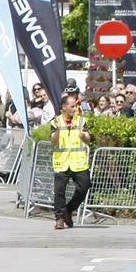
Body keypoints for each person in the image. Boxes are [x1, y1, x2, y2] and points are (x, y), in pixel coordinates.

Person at [50, 94, 92, 230]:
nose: (75, 108)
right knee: (59, 191)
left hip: (78, 163)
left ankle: (68, 210)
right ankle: (60, 219)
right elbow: (53, 141)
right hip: (62, 162)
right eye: (72, 106)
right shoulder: (55, 121)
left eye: (76, 106)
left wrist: (83, 135)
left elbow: (88, 138)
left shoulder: (81, 121)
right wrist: (56, 132)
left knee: (84, 187)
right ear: (63, 107)